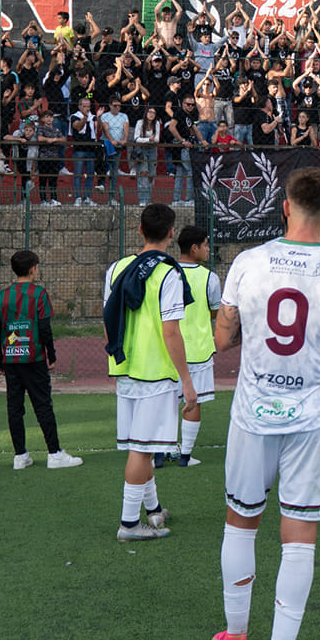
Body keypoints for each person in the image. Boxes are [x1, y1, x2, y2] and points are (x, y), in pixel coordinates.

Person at [208, 167, 320, 640]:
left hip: (253, 410)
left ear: (284, 206)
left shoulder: (247, 263)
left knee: (241, 519)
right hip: (311, 415)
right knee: (299, 533)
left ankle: (235, 637)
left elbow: (223, 338)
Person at [103, 203, 197, 541]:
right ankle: (129, 524)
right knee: (141, 449)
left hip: (126, 368)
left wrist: (118, 358)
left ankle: (153, 510)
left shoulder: (116, 268)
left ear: (140, 229)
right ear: (171, 233)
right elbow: (171, 332)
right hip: (155, 372)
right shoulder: (169, 273)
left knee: (142, 443)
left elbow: (107, 320)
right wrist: (187, 381)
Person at [0, 248, 80, 471]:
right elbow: (45, 327)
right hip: (34, 358)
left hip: (11, 360)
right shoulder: (39, 294)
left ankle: (20, 456)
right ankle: (54, 454)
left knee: (14, 407)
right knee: (42, 404)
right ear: (33, 269)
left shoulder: (3, 295)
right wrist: (52, 355)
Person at [171, 225, 222, 468]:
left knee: (167, 401)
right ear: (194, 248)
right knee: (194, 401)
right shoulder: (210, 278)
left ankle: (160, 453)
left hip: (168, 350)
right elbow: (215, 311)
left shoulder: (166, 273)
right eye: (205, 245)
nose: (208, 249)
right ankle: (185, 455)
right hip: (198, 350)